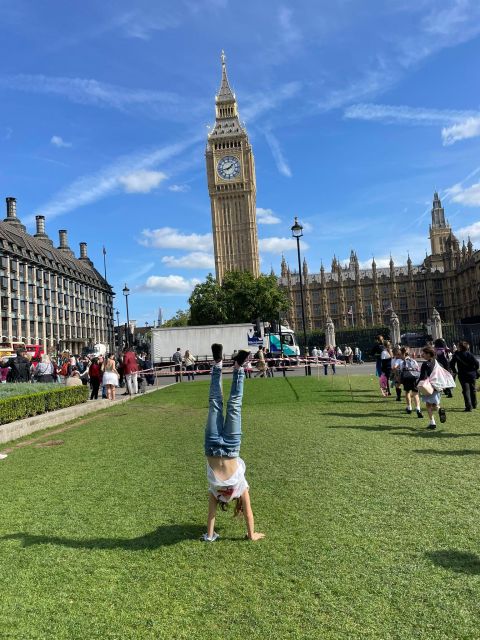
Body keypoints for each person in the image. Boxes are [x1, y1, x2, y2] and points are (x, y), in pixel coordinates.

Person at [203, 343, 264, 543]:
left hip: (228, 447)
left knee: (232, 404)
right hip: (216, 446)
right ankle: (223, 364)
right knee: (216, 402)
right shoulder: (219, 492)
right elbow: (211, 516)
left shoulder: (240, 488)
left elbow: (248, 514)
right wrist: (209, 535)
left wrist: (251, 534)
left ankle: (233, 366)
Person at [418, 345, 446, 430]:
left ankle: (432, 422)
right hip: (438, 386)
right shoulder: (438, 363)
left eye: (424, 353)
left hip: (429, 387)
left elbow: (423, 376)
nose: (422, 355)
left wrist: (418, 384)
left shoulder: (425, 364)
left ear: (429, 354)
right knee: (434, 403)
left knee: (428, 405)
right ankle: (439, 410)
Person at [450, 341, 479, 412]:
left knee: (466, 390)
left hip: (462, 374)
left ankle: (468, 407)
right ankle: (474, 404)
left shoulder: (457, 354)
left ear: (460, 347)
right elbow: (477, 363)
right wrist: (475, 369)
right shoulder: (469, 354)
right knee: (473, 389)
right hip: (471, 374)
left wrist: (454, 371)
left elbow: (451, 363)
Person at [399, 347, 423, 418]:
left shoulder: (402, 362)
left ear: (403, 354)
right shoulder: (414, 361)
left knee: (407, 392)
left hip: (406, 378)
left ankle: (409, 407)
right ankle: (418, 409)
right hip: (414, 378)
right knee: (415, 393)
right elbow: (418, 369)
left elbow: (400, 371)